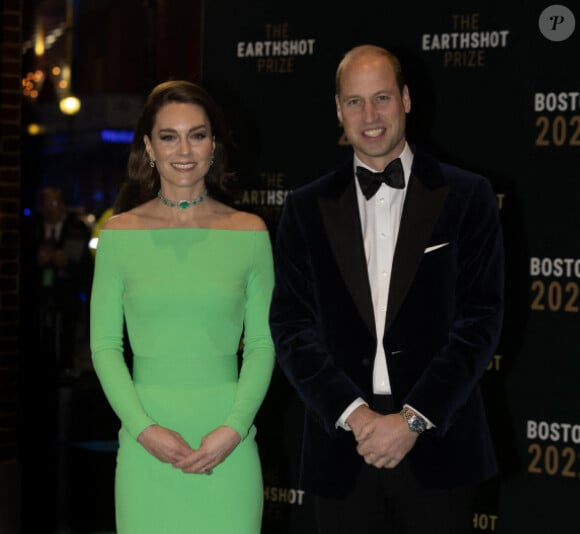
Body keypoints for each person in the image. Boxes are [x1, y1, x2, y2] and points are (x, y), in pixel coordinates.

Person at [269, 44, 504, 533]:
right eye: (354, 102)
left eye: (381, 98)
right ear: (338, 109)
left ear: (406, 100)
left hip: (439, 446)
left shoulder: (467, 196)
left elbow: (480, 322)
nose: (369, 115)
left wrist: (412, 420)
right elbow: (292, 327)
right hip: (343, 448)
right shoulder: (305, 207)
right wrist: (356, 416)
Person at [90, 80, 275, 534]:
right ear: (149, 147)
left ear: (214, 144)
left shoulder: (250, 232)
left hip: (229, 445)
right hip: (144, 443)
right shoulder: (119, 233)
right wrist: (144, 429)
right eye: (169, 136)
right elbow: (105, 346)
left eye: (197, 133)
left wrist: (232, 429)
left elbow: (263, 343)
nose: (184, 149)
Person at [34, 186, 93, 380]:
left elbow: (84, 261)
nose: (55, 208)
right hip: (41, 293)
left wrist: (67, 260)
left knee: (68, 330)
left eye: (58, 203)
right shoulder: (33, 228)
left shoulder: (75, 228)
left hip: (67, 290)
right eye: (49, 204)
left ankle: (66, 367)